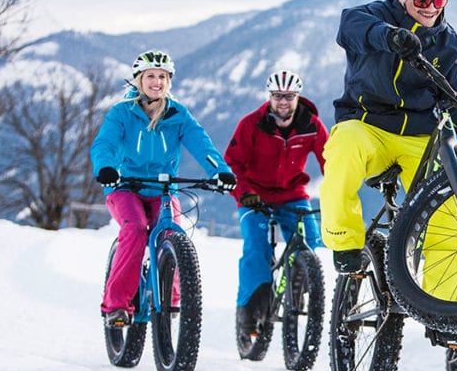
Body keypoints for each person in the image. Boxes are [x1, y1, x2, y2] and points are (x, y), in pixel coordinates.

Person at [320, 0, 457, 302]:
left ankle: (448, 309)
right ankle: (345, 242)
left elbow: (455, 92)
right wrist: (390, 37)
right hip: (368, 126)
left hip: (419, 137)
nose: (431, 7)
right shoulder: (369, 16)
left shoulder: (447, 42)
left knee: (446, 214)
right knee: (343, 148)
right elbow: (350, 27)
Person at [91, 49, 236, 328]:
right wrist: (106, 168)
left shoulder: (178, 114)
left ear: (168, 81)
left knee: (172, 232)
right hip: (124, 186)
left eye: (162, 77)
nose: (156, 82)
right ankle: (117, 305)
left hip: (163, 189)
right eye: (150, 77)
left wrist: (220, 172)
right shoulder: (122, 112)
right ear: (138, 80)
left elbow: (201, 143)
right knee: (135, 229)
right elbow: (104, 145)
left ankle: (170, 298)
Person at [225, 69, 329, 336]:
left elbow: (330, 161)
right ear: (270, 97)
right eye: (278, 96)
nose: (283, 101)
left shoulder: (312, 126)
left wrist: (337, 189)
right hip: (253, 196)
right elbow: (233, 163)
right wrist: (244, 192)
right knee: (256, 250)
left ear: (298, 97)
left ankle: (298, 285)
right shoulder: (251, 124)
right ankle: (249, 313)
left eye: (289, 96)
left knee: (311, 243)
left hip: (292, 195)